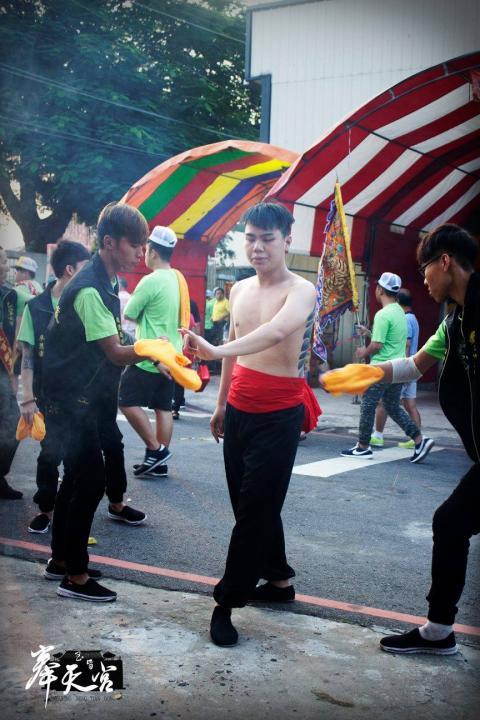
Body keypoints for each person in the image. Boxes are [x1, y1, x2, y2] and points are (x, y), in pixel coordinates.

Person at [182, 202, 319, 647]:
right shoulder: (238, 289)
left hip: (280, 414)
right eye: (251, 238)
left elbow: (276, 332)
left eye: (267, 239)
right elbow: (236, 352)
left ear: (287, 241)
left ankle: (225, 603)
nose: (257, 247)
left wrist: (214, 351)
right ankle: (279, 581)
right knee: (251, 505)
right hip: (239, 408)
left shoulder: (302, 290)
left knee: (254, 510)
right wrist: (220, 404)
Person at [365, 224, 479, 655]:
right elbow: (414, 365)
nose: (423, 279)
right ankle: (438, 631)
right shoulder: (453, 322)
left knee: (451, 522)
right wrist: (366, 372)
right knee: (451, 522)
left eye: (425, 268)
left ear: (445, 262)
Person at [42, 202, 161, 602]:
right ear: (110, 242)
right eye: (135, 244)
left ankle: (61, 560)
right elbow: (115, 351)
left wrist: (152, 351)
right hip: (70, 401)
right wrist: (152, 350)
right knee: (91, 480)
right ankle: (75, 577)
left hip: (81, 399)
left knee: (77, 479)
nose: (140, 252)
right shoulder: (91, 288)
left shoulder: (106, 282)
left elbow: (115, 341)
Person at [340, 272, 434, 462]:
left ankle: (363, 446)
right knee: (392, 406)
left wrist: (363, 352)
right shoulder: (400, 313)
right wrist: (369, 332)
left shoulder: (382, 314)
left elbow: (377, 345)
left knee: (368, 403)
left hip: (381, 368)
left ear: (380, 290)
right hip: (398, 369)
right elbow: (389, 338)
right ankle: (419, 440)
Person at [119, 225, 183, 478]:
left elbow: (129, 313)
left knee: (125, 400)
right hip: (172, 355)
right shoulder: (178, 279)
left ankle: (155, 450)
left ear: (153, 252)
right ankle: (159, 462)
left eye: (146, 250)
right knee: (163, 407)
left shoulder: (151, 280)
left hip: (150, 357)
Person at [371, 288, 423, 449]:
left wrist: (403, 370)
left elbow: (406, 344)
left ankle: (378, 435)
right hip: (411, 366)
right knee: (409, 405)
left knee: (384, 403)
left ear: (398, 302)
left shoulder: (404, 319)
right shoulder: (413, 318)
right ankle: (417, 438)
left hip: (402, 367)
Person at [0, 246, 22, 500]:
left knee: (13, 421)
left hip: (2, 371)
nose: (8, 266)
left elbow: (11, 335)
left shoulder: (9, 295)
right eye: (4, 261)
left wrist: (13, 374)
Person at [13, 255, 43, 391]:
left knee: (12, 373)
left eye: (17, 270)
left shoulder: (19, 289)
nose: (15, 273)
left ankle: (12, 401)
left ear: (25, 272)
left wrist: (18, 342)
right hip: (38, 340)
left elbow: (19, 317)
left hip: (21, 340)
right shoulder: (39, 288)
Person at [172, 298, 201, 420]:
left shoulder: (173, 314)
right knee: (179, 380)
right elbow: (194, 336)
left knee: (171, 378)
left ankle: (171, 405)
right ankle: (175, 408)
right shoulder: (190, 317)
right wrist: (196, 352)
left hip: (174, 350)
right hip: (185, 352)